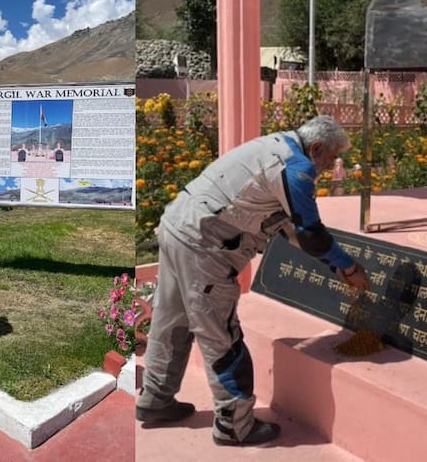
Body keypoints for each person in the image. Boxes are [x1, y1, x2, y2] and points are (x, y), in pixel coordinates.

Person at [136, 115, 370, 446]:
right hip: (204, 247)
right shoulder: (298, 167)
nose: (329, 168)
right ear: (316, 147)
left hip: (179, 226)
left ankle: (155, 399)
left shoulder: (277, 145)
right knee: (221, 336)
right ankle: (235, 426)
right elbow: (309, 231)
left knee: (170, 320)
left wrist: (335, 268)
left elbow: (287, 226)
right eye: (330, 159)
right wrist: (347, 266)